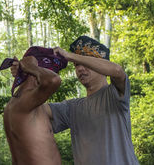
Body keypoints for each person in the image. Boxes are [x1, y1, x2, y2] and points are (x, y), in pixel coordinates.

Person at [50, 36, 140, 165]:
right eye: (76, 65)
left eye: (86, 63)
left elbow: (117, 71)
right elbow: (31, 112)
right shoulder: (72, 108)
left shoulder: (115, 95)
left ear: (100, 66)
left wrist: (70, 56)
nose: (80, 69)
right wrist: (26, 74)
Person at [0, 46, 67, 165]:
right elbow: (53, 80)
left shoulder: (24, 102)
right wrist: (30, 67)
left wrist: (23, 69)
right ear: (36, 74)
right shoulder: (24, 102)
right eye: (48, 71)